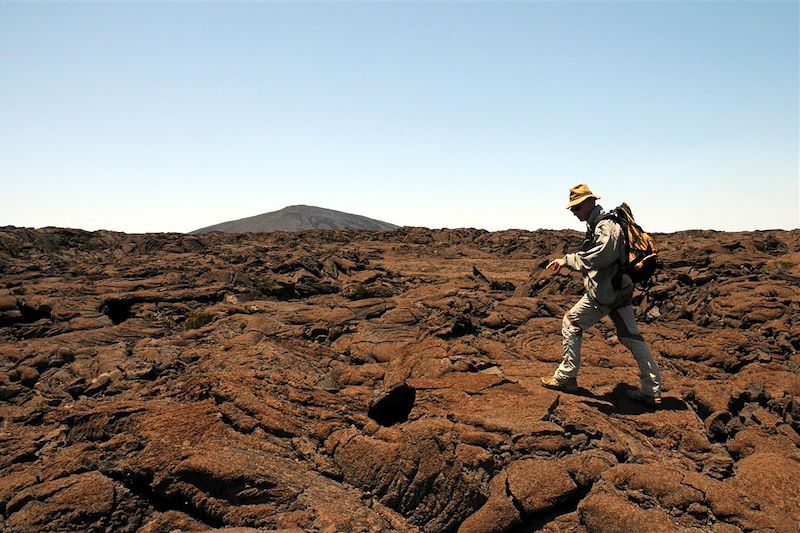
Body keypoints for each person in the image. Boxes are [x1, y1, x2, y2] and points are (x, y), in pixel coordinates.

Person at [541, 184, 663, 406]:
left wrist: (567, 260)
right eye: (572, 209)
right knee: (630, 336)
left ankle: (567, 377)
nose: (574, 212)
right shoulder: (601, 223)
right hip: (620, 288)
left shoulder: (605, 226)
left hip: (606, 292)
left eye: (577, 207)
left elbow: (601, 256)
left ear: (590, 202)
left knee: (571, 323)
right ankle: (651, 390)